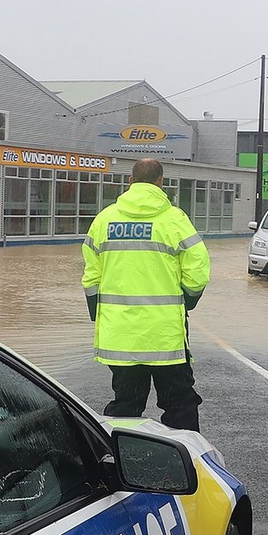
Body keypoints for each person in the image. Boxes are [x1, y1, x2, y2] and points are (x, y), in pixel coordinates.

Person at [81, 158, 210, 431]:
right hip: (166, 337)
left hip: (121, 336)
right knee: (179, 406)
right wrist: (187, 301)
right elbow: (198, 271)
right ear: (160, 182)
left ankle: (119, 462)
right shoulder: (175, 220)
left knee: (125, 406)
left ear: (130, 182)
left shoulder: (104, 220)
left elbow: (91, 278)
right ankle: (187, 463)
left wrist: (98, 312)